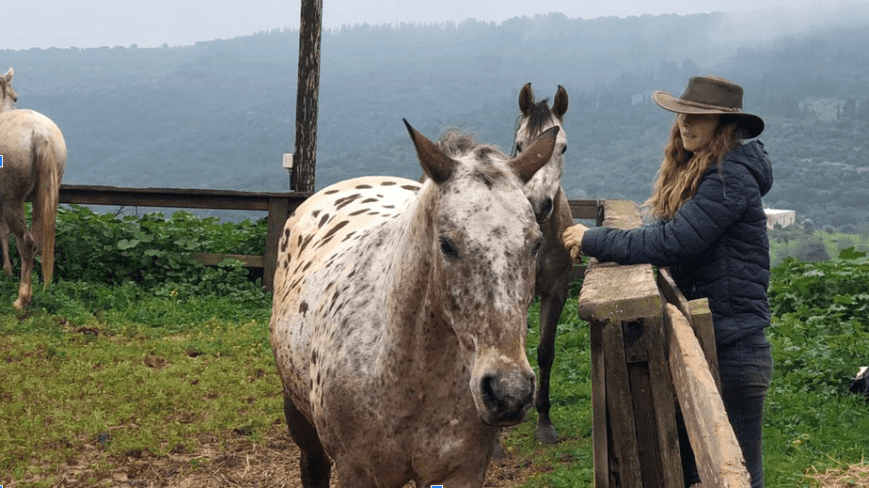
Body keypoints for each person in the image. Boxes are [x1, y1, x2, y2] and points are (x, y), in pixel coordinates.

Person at [562, 75, 773, 488]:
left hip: (735, 348)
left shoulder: (729, 180)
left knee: (736, 474)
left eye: (699, 117)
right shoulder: (709, 173)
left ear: (724, 126)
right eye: (682, 115)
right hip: (719, 340)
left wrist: (594, 239)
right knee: (701, 469)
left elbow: (674, 241)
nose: (684, 124)